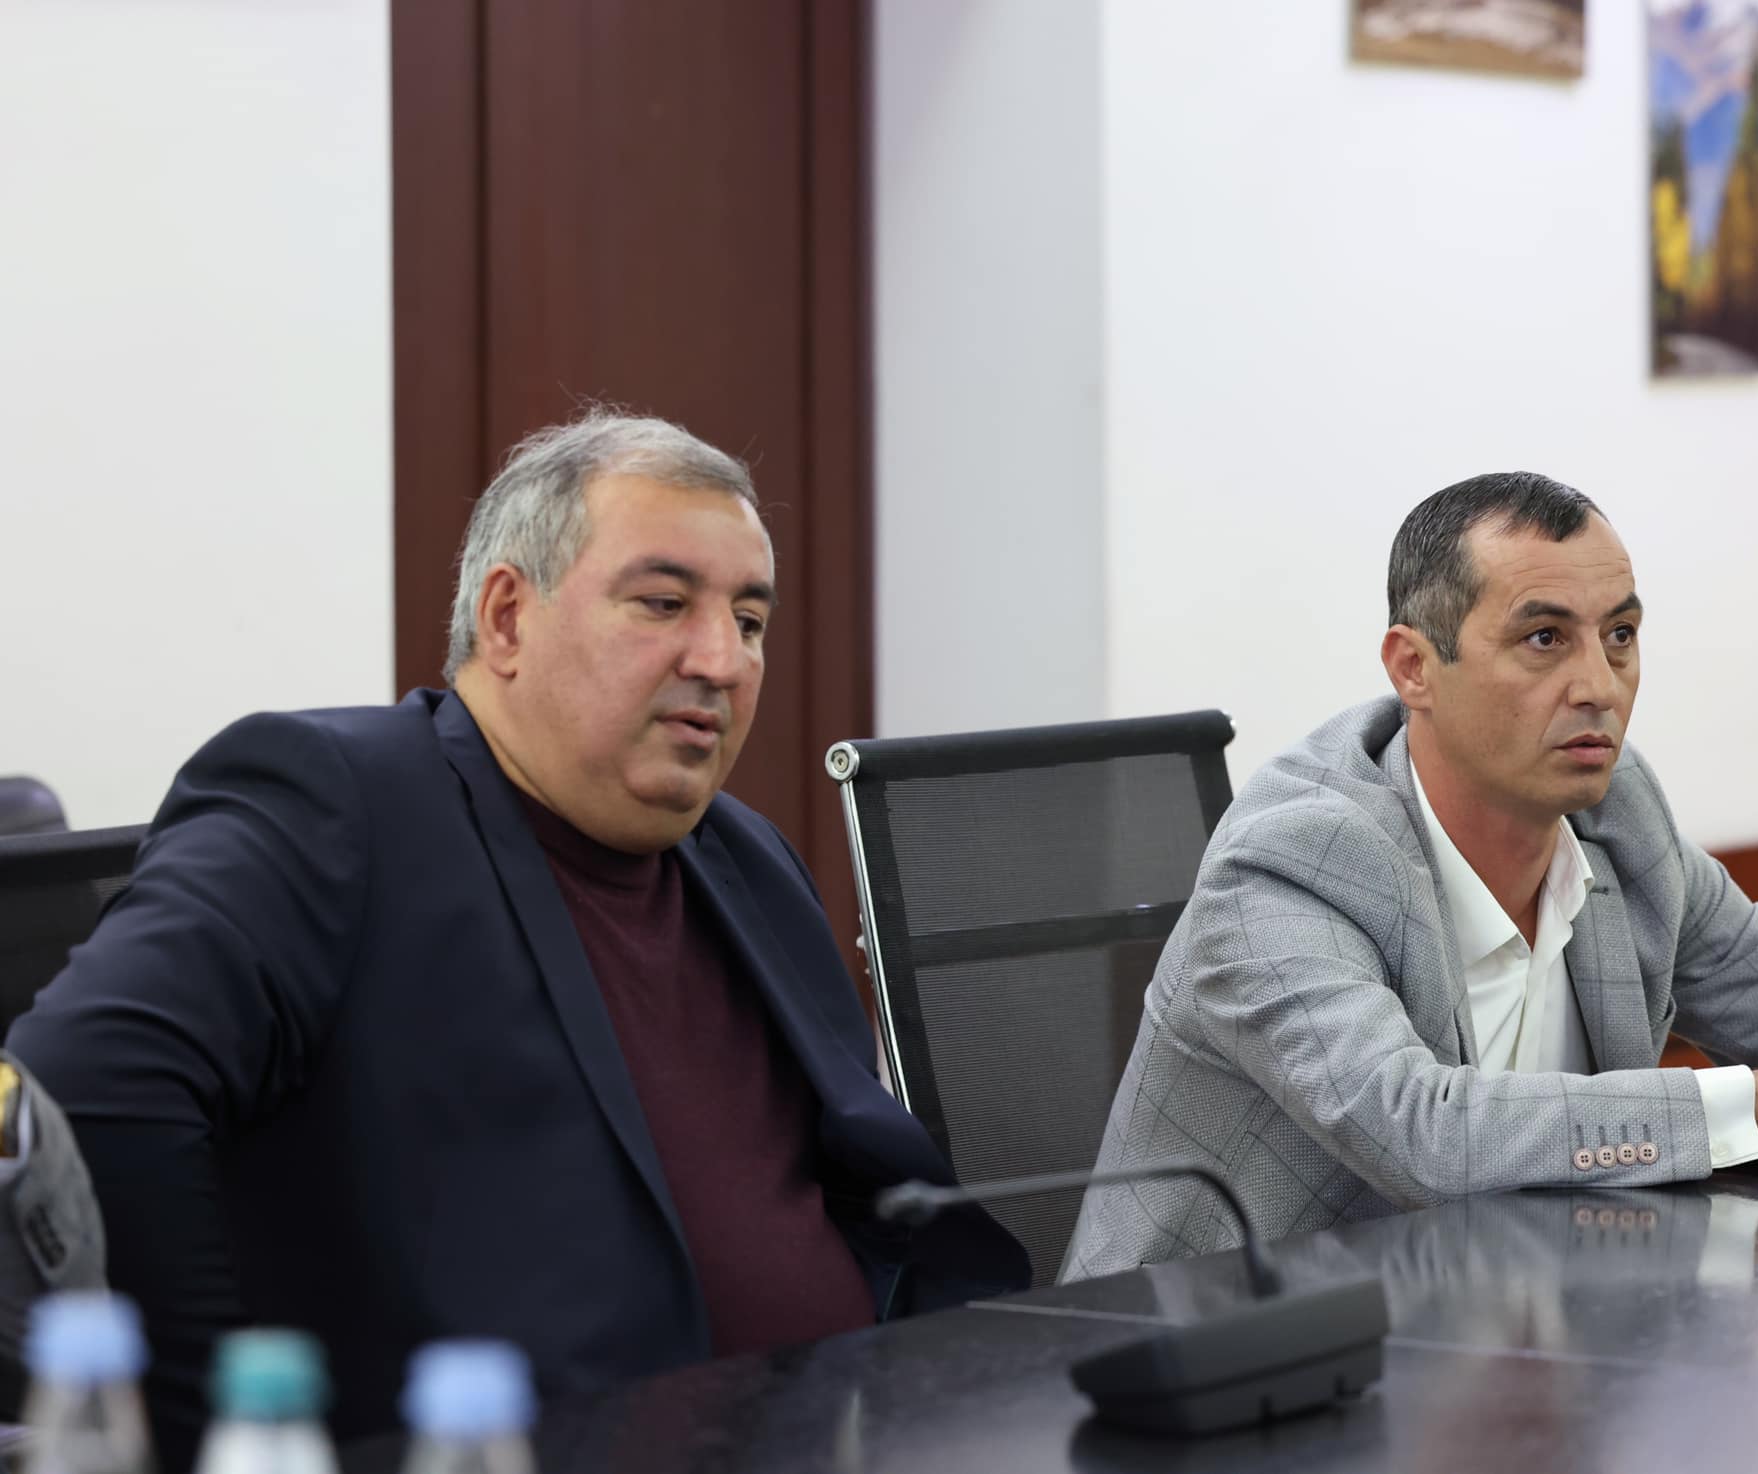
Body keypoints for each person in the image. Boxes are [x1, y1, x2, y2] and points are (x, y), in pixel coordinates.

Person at [9, 411, 1027, 1461]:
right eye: (663, 603)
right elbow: (82, 1083)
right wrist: (224, 1430)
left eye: (751, 620)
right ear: (505, 617)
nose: (722, 660)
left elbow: (868, 1203)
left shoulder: (747, 856)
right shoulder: (337, 804)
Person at [1062, 472, 1758, 1280]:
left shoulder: (1620, 816)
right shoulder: (1290, 862)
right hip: (1214, 1357)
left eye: (1620, 636)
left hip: (1514, 1333)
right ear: (1414, 668)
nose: (1599, 686)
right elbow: (1427, 1138)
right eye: (1545, 638)